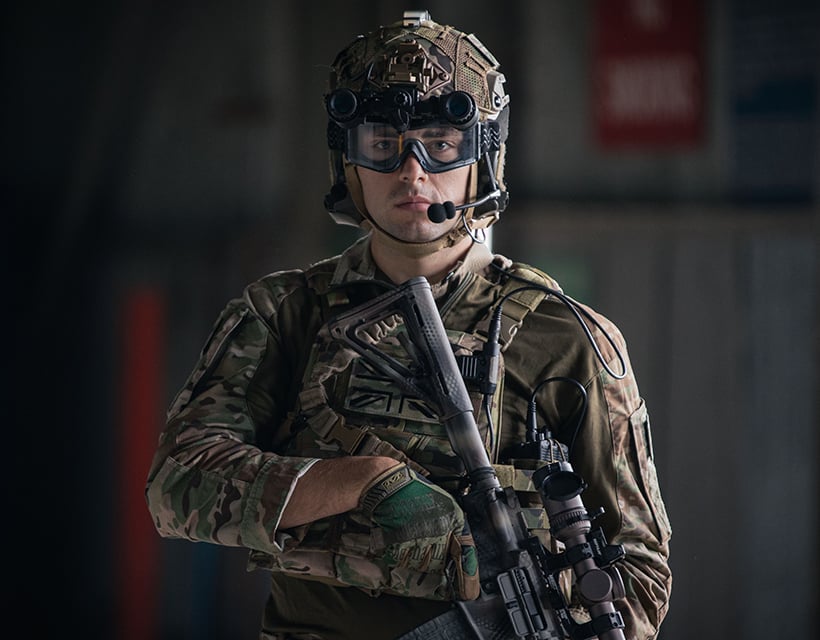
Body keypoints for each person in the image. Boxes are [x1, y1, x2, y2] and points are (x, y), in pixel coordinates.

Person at [145, 10, 672, 640]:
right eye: (382, 144)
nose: (412, 171)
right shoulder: (284, 313)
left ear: (482, 157)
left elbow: (640, 574)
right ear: (348, 164)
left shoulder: (568, 338)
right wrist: (364, 483)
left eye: (440, 143)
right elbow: (177, 485)